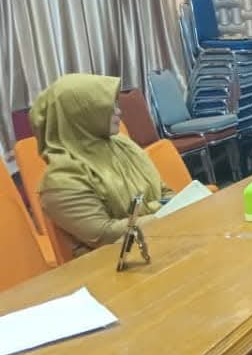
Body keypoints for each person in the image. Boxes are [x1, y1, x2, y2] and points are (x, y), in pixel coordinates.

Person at [32, 74, 171, 257]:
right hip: (115, 262)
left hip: (160, 241)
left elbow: (163, 191)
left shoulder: (121, 144)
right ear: (80, 116)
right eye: (107, 108)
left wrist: (178, 206)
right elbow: (105, 235)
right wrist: (169, 213)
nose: (118, 112)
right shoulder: (61, 180)